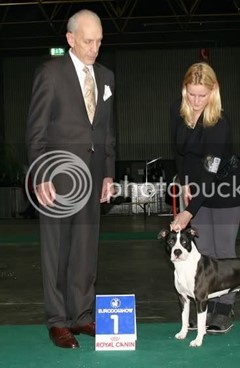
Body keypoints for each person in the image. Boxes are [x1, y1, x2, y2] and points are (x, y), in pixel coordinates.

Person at [26, 10, 116, 348]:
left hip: (93, 179)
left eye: (99, 41)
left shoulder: (106, 76)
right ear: (70, 40)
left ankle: (80, 316)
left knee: (85, 250)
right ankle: (57, 321)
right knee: (57, 251)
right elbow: (35, 131)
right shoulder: (50, 74)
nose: (95, 48)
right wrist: (40, 175)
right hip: (58, 178)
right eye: (88, 41)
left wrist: (108, 173)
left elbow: (106, 131)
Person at [170, 62, 240, 334]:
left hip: (226, 187)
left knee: (223, 252)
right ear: (184, 90)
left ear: (214, 91)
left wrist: (188, 211)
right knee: (205, 253)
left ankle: (224, 309)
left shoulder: (220, 122)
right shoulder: (179, 114)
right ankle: (206, 308)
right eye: (191, 94)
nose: (196, 100)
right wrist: (184, 182)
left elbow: (210, 172)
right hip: (197, 186)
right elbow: (180, 154)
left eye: (202, 95)